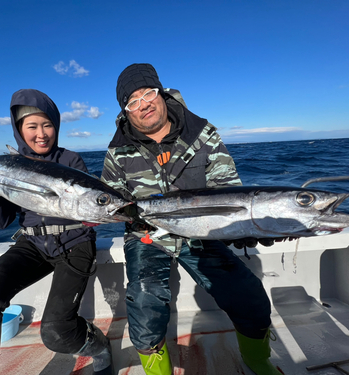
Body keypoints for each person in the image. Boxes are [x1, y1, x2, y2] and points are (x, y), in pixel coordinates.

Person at [100, 64, 283, 375]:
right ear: (126, 111)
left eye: (148, 93)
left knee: (248, 295)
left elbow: (227, 188)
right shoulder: (117, 152)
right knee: (144, 302)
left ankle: (257, 359)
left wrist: (242, 226)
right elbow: (111, 203)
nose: (143, 104)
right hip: (147, 236)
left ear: (161, 93)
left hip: (202, 232)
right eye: (132, 101)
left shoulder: (202, 134)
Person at [0, 89, 113, 375]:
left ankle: (100, 348)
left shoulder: (71, 161)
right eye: (31, 126)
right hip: (32, 243)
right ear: (19, 130)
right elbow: (1, 221)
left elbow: (87, 210)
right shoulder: (9, 165)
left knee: (56, 331)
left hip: (75, 243)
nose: (41, 133)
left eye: (47, 125)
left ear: (56, 127)